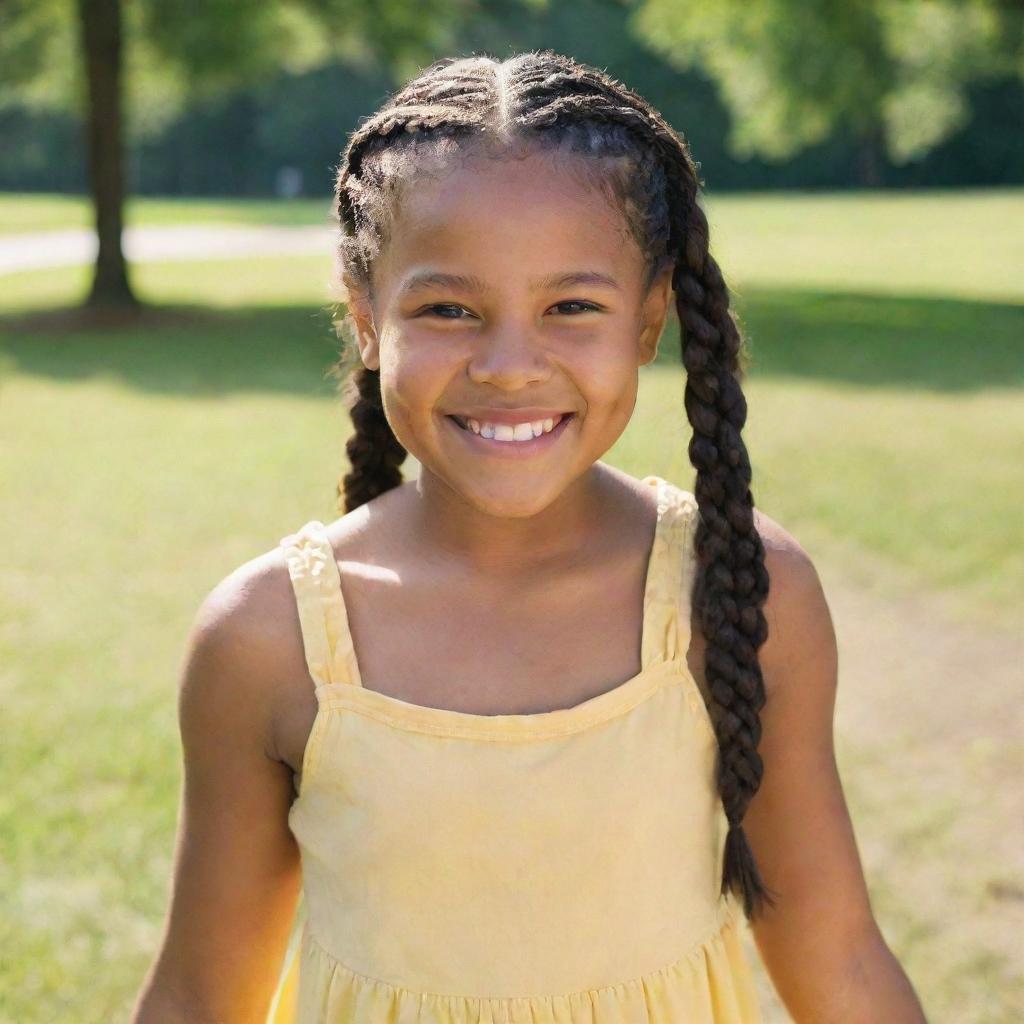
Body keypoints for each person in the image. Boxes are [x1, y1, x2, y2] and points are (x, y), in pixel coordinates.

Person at [131, 50, 928, 1024]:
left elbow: (838, 959)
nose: (510, 365)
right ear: (366, 316)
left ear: (647, 319)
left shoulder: (739, 591)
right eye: (449, 308)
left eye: (570, 307)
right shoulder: (267, 640)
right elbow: (197, 998)